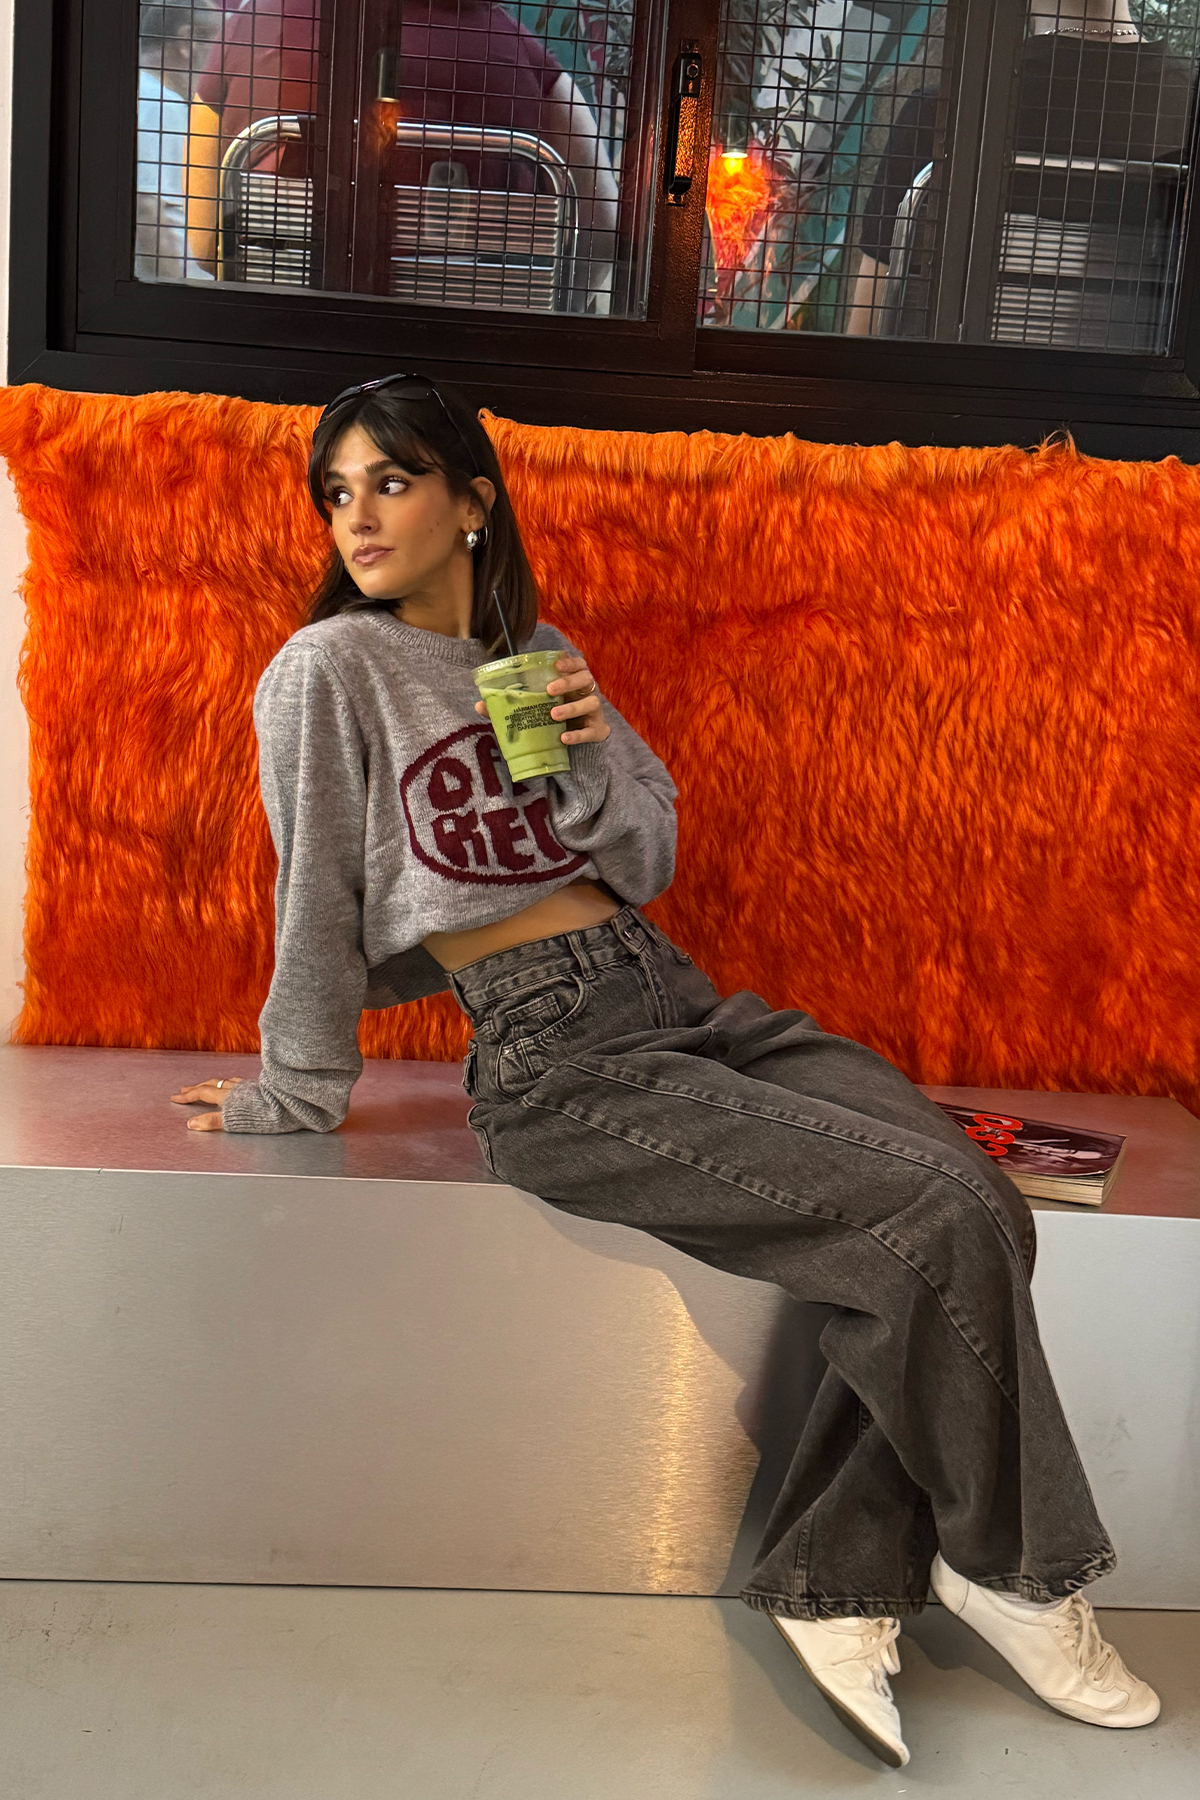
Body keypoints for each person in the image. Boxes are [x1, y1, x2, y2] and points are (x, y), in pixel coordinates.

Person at [170, 372, 1160, 1769]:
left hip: (681, 998)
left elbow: (646, 856)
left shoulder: (535, 652)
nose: (358, 517)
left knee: (976, 1198)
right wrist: (297, 1085)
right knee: (931, 1215)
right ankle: (1017, 1572)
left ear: (472, 501)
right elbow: (313, 888)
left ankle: (837, 1581)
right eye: (337, 492)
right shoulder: (326, 670)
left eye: (391, 480)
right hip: (553, 1051)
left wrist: (584, 756)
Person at [187, 0, 617, 307]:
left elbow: (207, 241)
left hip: (284, 329)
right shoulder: (516, 48)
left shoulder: (261, 20)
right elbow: (603, 227)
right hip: (463, 352)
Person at [845, 0, 1194, 344]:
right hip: (1128, 381)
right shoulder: (1190, 108)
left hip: (958, 377)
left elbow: (868, 330)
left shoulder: (944, 114)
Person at [136, 1, 221, 281]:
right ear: (189, 41)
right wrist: (180, 294)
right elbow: (149, 212)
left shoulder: (141, 92)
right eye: (217, 45)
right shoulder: (161, 104)